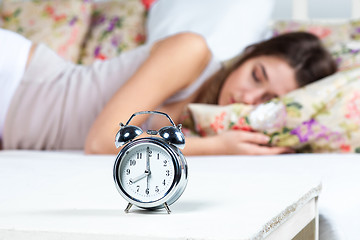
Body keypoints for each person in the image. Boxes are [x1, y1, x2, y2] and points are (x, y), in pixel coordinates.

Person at [0, 28, 337, 155]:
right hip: (16, 79)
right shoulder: (191, 51)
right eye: (256, 75)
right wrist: (216, 147)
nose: (249, 98)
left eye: (267, 100)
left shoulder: (212, 117)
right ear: (249, 54)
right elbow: (103, 141)